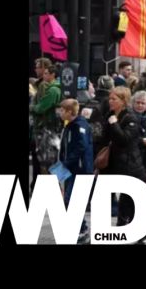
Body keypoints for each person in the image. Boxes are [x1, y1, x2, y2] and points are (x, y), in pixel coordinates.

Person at [105, 87, 146, 241]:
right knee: (125, 199)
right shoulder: (110, 115)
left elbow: (124, 139)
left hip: (130, 165)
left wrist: (114, 124)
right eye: (110, 99)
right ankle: (124, 228)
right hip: (115, 164)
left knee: (130, 199)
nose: (110, 101)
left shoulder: (130, 118)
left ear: (123, 101)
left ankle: (140, 232)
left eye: (114, 99)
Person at [58, 98, 94, 242]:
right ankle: (80, 228)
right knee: (70, 200)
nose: (59, 113)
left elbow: (81, 147)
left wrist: (66, 163)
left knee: (71, 200)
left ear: (69, 111)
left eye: (62, 110)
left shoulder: (79, 126)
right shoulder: (70, 125)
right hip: (71, 168)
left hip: (79, 169)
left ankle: (82, 230)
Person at [31, 63, 63, 185]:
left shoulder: (53, 90)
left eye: (46, 73)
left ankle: (56, 186)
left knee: (48, 160)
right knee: (51, 159)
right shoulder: (54, 88)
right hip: (51, 128)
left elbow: (41, 108)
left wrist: (32, 107)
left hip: (49, 128)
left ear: (53, 75)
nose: (43, 76)